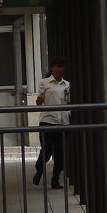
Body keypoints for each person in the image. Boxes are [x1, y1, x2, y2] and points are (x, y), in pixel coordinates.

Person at [33, 57, 70, 189]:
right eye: (57, 66)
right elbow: (39, 101)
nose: (60, 69)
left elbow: (66, 101)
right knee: (47, 150)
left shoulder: (66, 84)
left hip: (62, 121)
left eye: (62, 66)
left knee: (60, 152)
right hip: (47, 121)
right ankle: (39, 170)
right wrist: (39, 100)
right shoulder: (44, 83)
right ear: (52, 68)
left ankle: (55, 180)